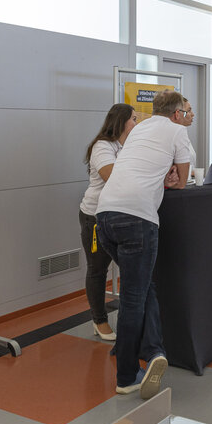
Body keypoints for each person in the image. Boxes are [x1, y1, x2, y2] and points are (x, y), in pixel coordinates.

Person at [95, 91, 190, 399]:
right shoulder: (177, 131)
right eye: (186, 112)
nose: (188, 117)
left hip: (105, 216)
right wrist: (173, 177)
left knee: (143, 286)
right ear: (176, 114)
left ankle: (153, 351)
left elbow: (139, 167)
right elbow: (182, 180)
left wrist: (164, 174)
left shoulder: (140, 129)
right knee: (134, 298)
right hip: (137, 219)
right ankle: (126, 375)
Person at [79, 103, 138, 342]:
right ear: (121, 121)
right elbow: (111, 177)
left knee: (131, 269)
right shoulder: (102, 146)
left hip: (121, 215)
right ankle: (99, 320)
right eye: (134, 119)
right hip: (95, 216)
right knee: (97, 270)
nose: (137, 123)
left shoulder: (128, 146)